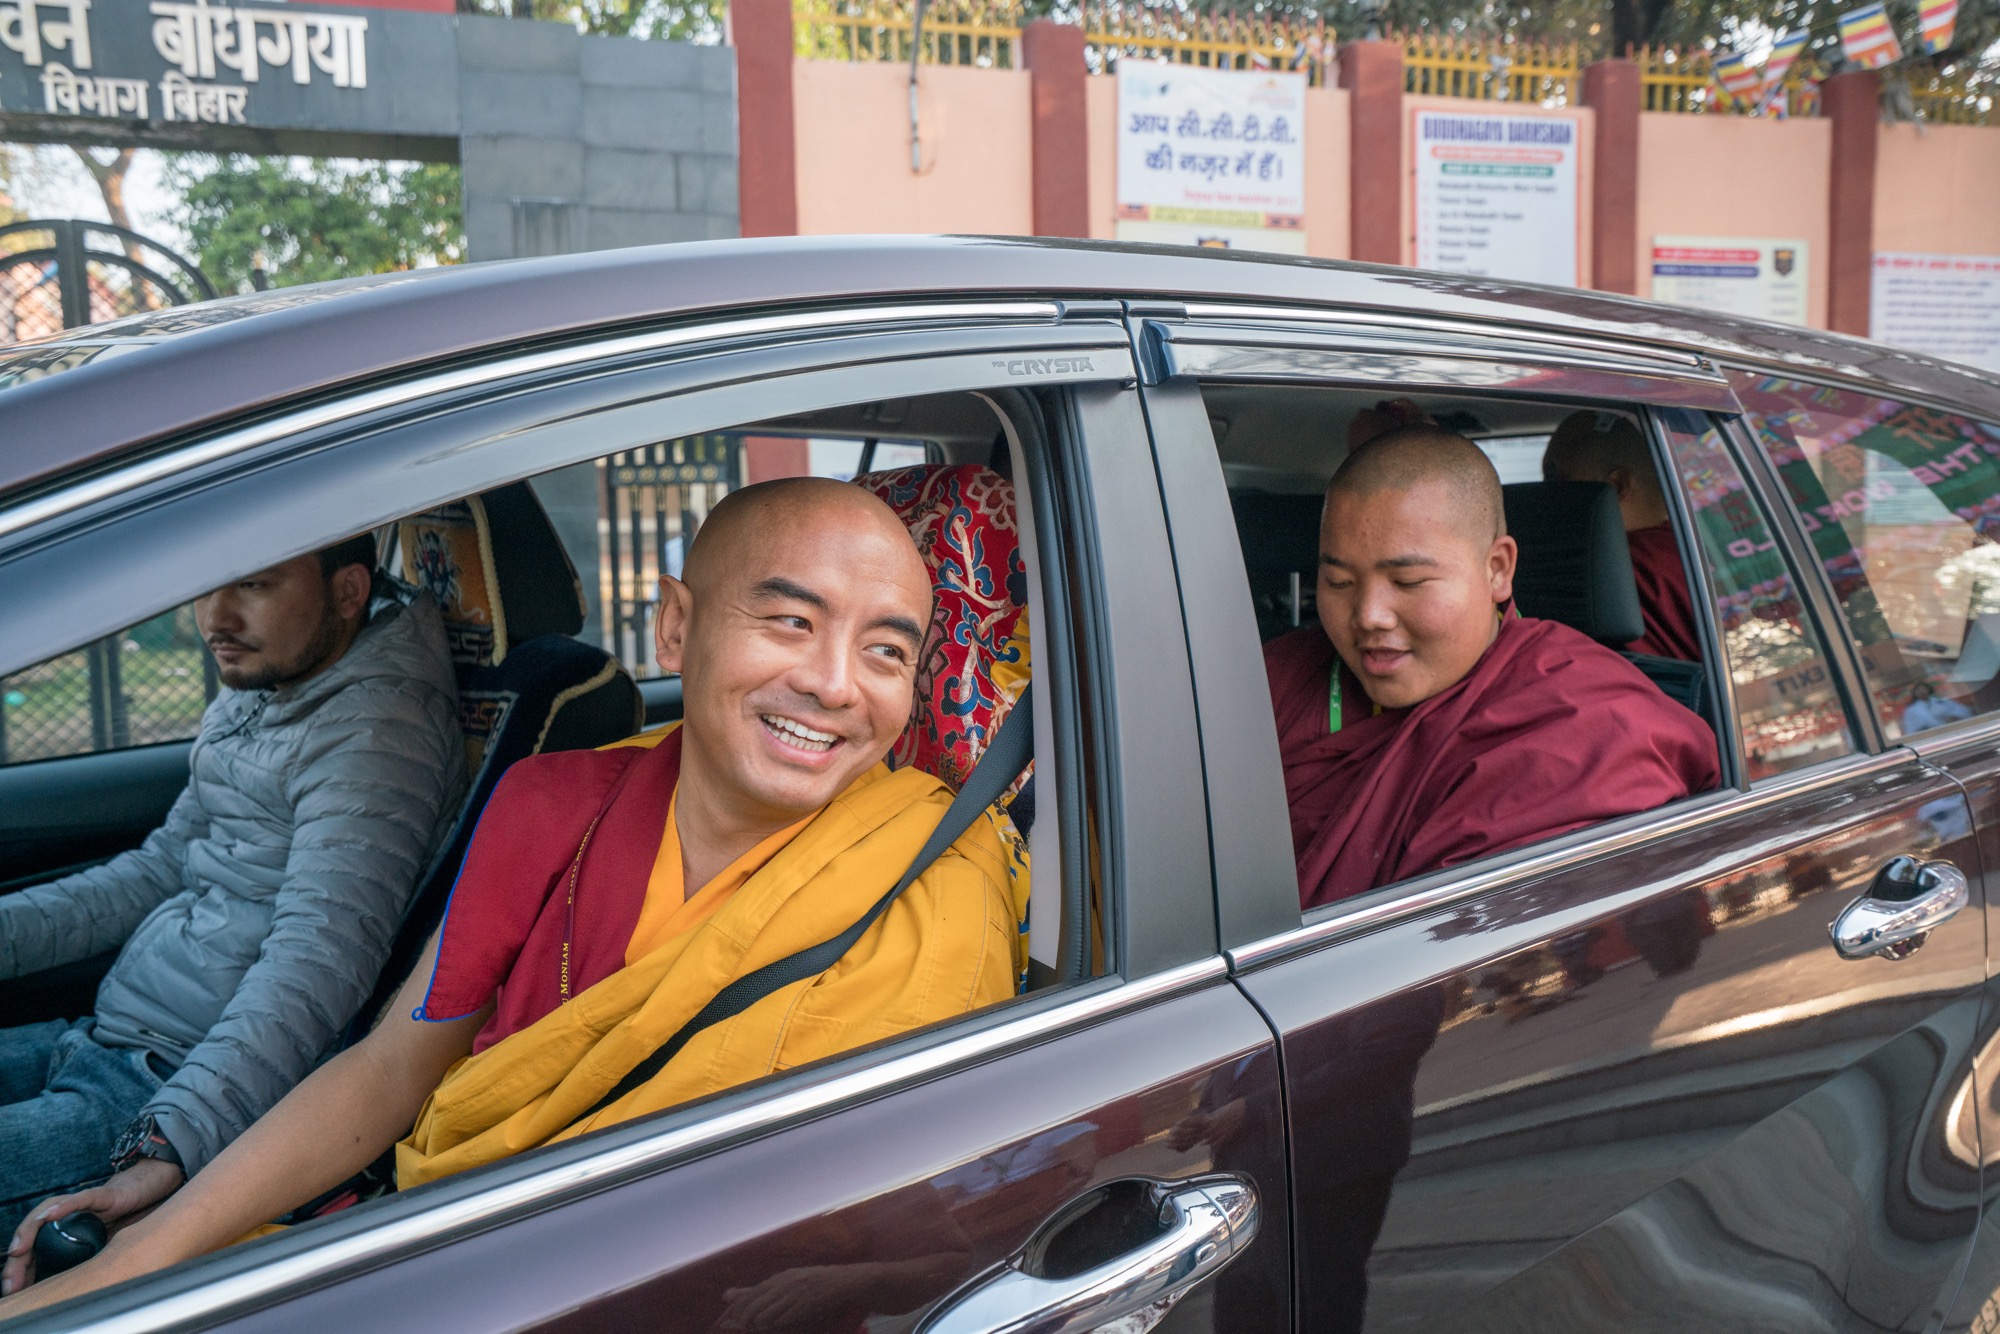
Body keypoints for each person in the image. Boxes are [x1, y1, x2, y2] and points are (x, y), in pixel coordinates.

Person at [2, 478, 1025, 1312]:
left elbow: (923, 1199)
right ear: (675, 627)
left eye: (885, 649)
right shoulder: (553, 805)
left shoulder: (934, 873)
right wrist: (136, 1247)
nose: (836, 682)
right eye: (790, 620)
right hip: (468, 1254)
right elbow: (388, 1071)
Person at [0, 537, 466, 1244]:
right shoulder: (276, 684)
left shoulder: (377, 729)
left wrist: (167, 1141)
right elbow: (163, 867)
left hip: (169, 1089)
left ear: (346, 593)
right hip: (106, 1039)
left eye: (252, 585)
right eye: (207, 584)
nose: (214, 616)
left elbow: (314, 963)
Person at [1266, 425, 1720, 910]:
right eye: (1338, 582)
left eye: (1408, 581)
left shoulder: (1588, 724)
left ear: (1497, 569)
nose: (1368, 616)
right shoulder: (1274, 679)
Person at [1541, 410, 1702, 661]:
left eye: (1558, 482)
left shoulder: (1596, 573)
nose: (1544, 498)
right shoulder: (1699, 553)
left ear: (1616, 486)